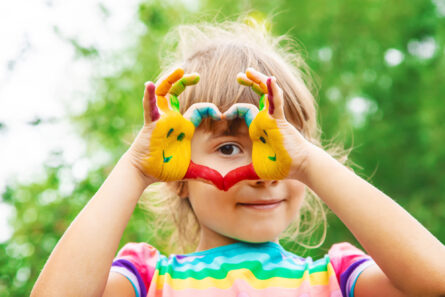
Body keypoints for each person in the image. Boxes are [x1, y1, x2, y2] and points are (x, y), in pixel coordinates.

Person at [31, 18, 445, 297]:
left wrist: (311, 164)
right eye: (228, 148)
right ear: (177, 175)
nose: (265, 173)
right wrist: (135, 169)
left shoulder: (336, 279)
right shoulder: (148, 280)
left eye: (283, 147)